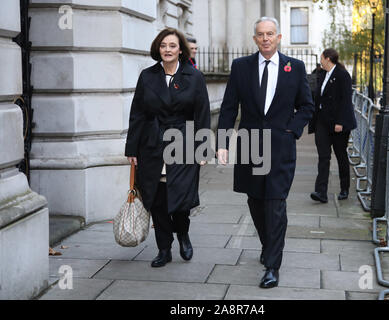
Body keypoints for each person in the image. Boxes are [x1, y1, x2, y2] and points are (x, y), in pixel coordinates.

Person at [216, 17, 314, 288]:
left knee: (275, 204)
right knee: (255, 201)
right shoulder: (241, 67)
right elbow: (228, 107)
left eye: (270, 34)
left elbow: (307, 106)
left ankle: (272, 265)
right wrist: (222, 143)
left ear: (279, 37)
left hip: (280, 148)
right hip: (249, 145)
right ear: (255, 39)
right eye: (261, 34)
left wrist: (291, 131)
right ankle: (268, 243)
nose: (266, 38)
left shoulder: (295, 68)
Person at [125, 28, 210, 267]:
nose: (167, 50)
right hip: (151, 144)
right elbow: (137, 114)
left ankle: (182, 233)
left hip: (183, 142)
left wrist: (203, 148)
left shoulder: (194, 77)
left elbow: (202, 114)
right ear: (158, 49)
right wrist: (132, 148)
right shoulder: (147, 76)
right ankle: (164, 248)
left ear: (180, 49)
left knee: (181, 199)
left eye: (172, 46)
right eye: (163, 46)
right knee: (156, 199)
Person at [308, 48, 357, 203]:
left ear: (328, 59)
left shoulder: (342, 75)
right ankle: (321, 192)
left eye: (321, 58)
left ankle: (344, 188)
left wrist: (340, 122)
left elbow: (346, 101)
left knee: (340, 155)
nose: (320, 61)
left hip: (338, 124)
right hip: (322, 121)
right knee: (323, 156)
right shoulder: (321, 75)